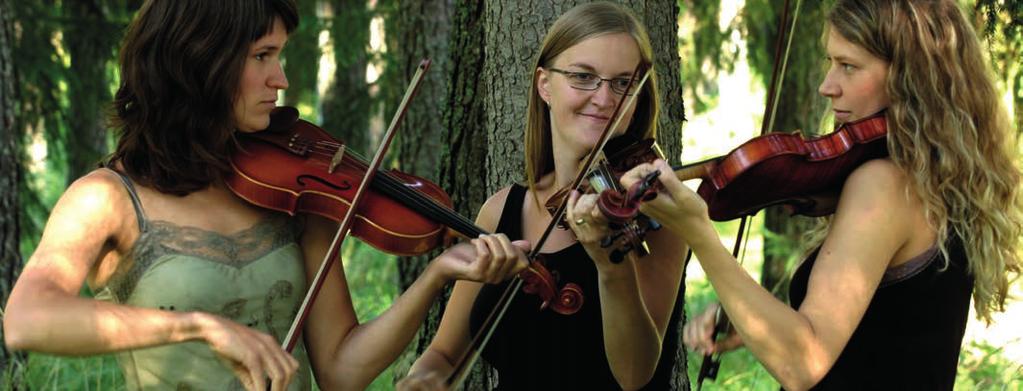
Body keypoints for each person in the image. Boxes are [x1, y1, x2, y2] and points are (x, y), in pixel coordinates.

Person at [2, 1, 528, 390]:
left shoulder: (290, 190)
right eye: (262, 55)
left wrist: (437, 276)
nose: (281, 78)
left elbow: (343, 370)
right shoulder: (106, 198)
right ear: (197, 61)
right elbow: (25, 320)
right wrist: (198, 326)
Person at [619, 0, 1022, 389]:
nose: (827, 86)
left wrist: (700, 235)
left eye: (849, 66)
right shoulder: (939, 179)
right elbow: (893, 334)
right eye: (831, 62)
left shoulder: (884, 185)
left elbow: (802, 364)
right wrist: (758, 320)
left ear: (911, 76)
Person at [398, 2, 687, 390]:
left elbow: (635, 374)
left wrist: (610, 264)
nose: (605, 99)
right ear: (544, 85)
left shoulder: (655, 213)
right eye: (584, 77)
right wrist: (422, 379)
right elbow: (446, 355)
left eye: (623, 83)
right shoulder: (500, 210)